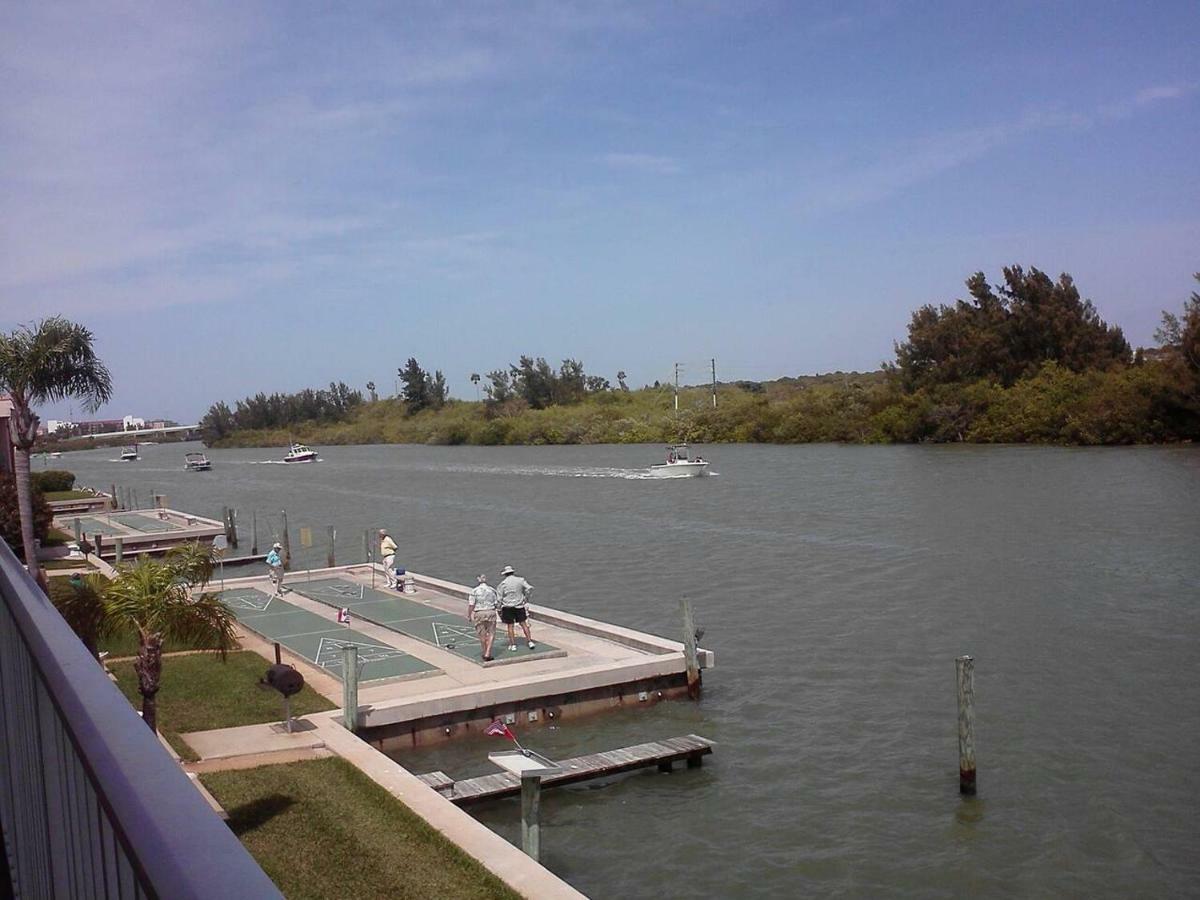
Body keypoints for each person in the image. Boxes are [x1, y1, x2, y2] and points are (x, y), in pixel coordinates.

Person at [496, 564, 535, 651]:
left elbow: (499, 598)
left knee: (510, 626)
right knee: (524, 624)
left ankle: (513, 645)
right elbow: (530, 588)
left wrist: (498, 608)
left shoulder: (502, 584)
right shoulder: (520, 580)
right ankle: (529, 641)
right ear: (513, 572)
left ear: (505, 574)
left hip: (508, 607)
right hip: (519, 606)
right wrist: (526, 597)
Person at [467, 574, 499, 661]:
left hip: (479, 612)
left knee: (482, 634)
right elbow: (496, 603)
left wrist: (469, 615)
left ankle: (484, 652)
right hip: (490, 611)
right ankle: (488, 652)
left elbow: (471, 605)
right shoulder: (492, 590)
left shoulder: (474, 591)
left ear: (478, 580)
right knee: (491, 633)